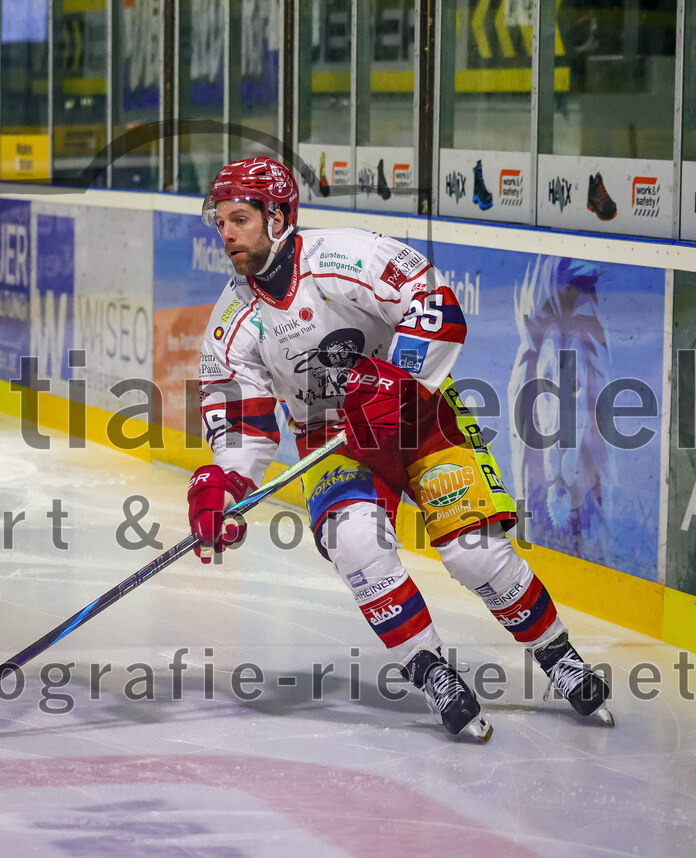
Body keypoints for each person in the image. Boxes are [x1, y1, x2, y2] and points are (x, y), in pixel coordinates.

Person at [186, 156, 613, 739]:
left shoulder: (343, 255)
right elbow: (243, 417)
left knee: (474, 553)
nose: (228, 233)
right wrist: (227, 484)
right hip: (331, 439)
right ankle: (432, 669)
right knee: (355, 542)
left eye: (240, 218)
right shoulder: (232, 321)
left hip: (418, 414)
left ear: (280, 215)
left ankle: (557, 655)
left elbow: (434, 300)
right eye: (221, 223)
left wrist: (399, 377)